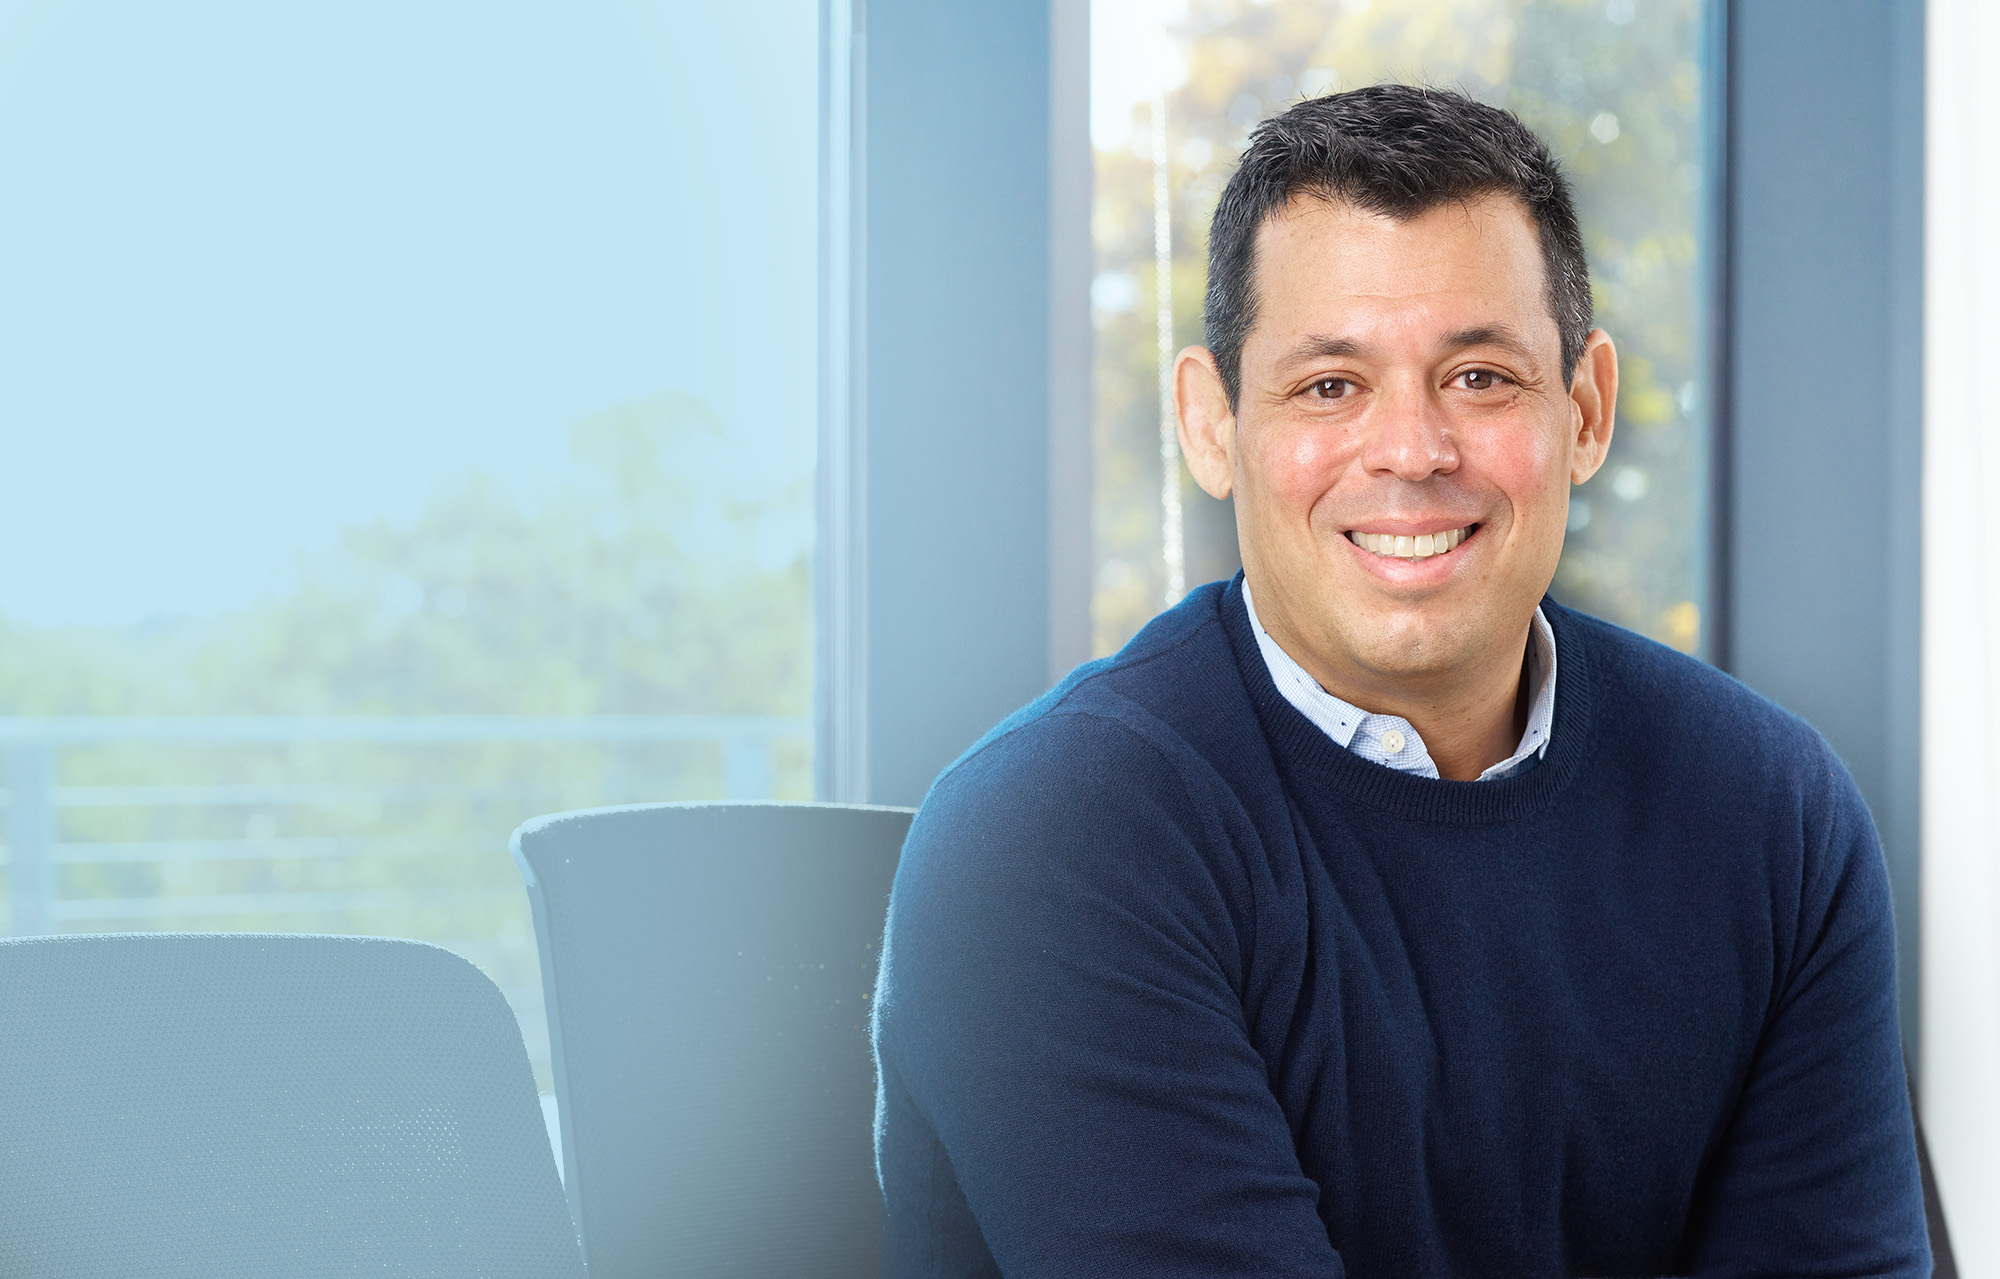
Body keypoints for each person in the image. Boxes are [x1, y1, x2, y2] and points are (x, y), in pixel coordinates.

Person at [871, 85, 1929, 1277]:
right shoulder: (1051, 835)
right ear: (1211, 426)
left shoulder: (1769, 809)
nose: (1412, 451)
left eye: (1479, 376)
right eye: (1329, 386)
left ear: (1583, 411)